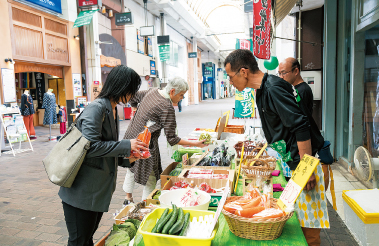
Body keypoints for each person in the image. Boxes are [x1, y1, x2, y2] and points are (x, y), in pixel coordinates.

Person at [224, 49, 329, 246]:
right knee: (299, 219)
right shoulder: (262, 89)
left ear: (244, 72)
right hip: (294, 162)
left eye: (231, 76)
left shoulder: (273, 88)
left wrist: (306, 170)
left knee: (309, 228)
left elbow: (300, 125)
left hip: (304, 163)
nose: (230, 81)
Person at [58, 65, 149, 246]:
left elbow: (105, 150)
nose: (132, 94)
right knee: (79, 241)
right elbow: (90, 146)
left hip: (96, 191)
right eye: (131, 89)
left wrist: (128, 157)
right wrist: (126, 145)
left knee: (87, 239)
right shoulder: (96, 108)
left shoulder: (112, 109)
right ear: (121, 87)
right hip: (81, 191)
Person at [122, 77, 207, 204]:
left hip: (131, 136)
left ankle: (127, 198)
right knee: (150, 177)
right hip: (145, 143)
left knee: (131, 167)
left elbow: (133, 98)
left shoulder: (153, 91)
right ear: (172, 91)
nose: (182, 98)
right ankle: (145, 205)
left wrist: (134, 110)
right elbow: (172, 139)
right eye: (181, 95)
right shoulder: (167, 107)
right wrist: (195, 144)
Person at [278, 57, 334, 190]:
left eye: (284, 73)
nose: (281, 77)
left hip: (303, 143)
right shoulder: (296, 89)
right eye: (279, 73)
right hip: (300, 143)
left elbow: (301, 123)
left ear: (296, 71)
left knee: (303, 184)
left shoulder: (301, 90)